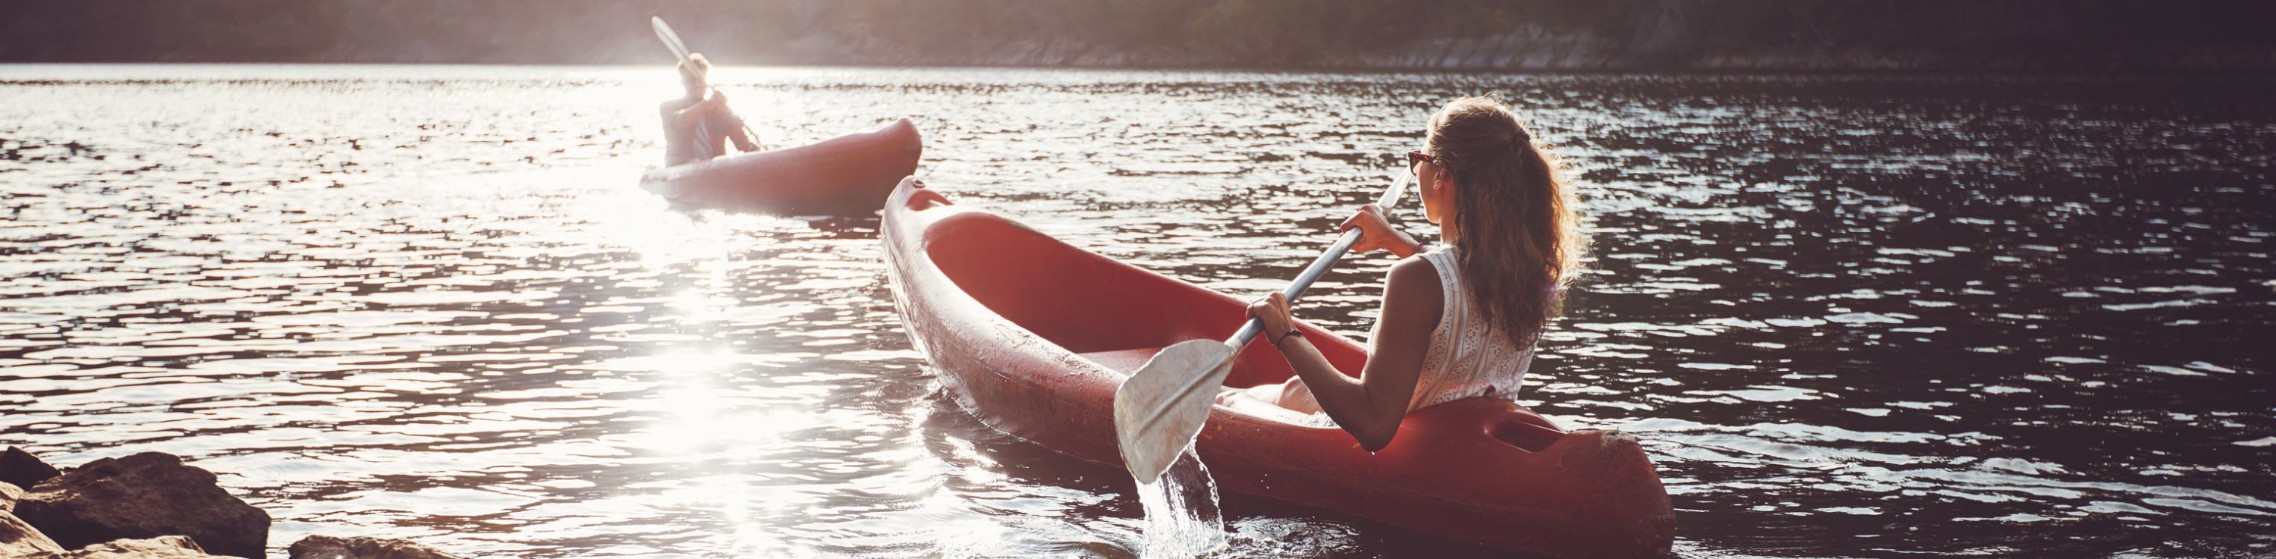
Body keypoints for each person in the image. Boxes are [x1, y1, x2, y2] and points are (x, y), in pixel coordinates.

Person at [1225, 97, 1586, 453]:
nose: (1416, 172)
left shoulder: (1414, 278)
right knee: (1294, 390)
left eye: (1419, 160)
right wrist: (1394, 241)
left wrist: (1285, 333)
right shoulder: (1532, 271)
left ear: (1441, 174)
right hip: (1468, 438)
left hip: (1413, 445)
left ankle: (1212, 397)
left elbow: (1374, 425)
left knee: (1282, 393)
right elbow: (1462, 282)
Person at [660, 53, 760, 166]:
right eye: (691, 80)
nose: (697, 84)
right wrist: (708, 103)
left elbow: (743, 144)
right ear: (682, 82)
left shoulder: (718, 111)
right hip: (680, 168)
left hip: (713, 170)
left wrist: (733, 119)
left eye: (700, 79)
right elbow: (680, 122)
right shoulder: (668, 107)